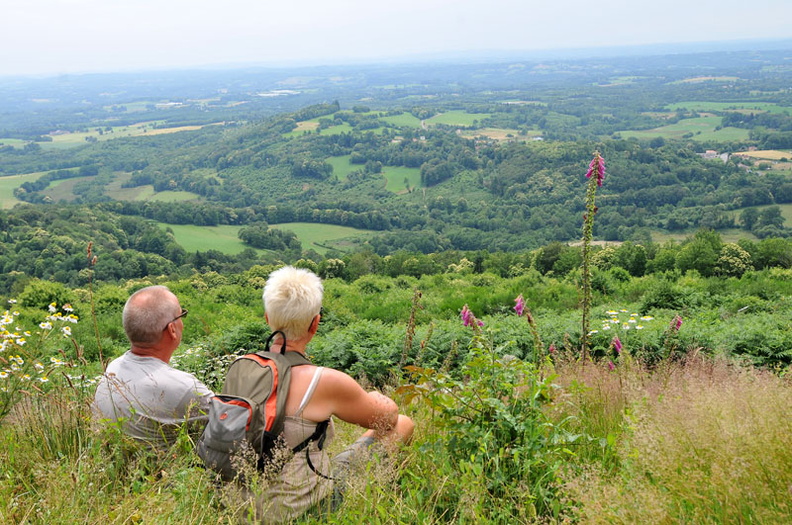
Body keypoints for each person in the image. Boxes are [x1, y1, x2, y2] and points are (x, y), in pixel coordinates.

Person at [251, 266, 414, 522]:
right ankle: (390, 499)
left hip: (245, 507)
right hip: (300, 511)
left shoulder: (240, 369)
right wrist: (374, 396)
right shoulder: (323, 380)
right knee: (404, 424)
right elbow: (388, 419)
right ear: (315, 323)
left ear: (267, 318)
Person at [93, 285, 213, 446]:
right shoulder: (183, 387)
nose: (182, 323)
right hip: (162, 471)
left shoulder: (113, 367)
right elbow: (232, 423)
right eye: (181, 315)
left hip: (111, 468)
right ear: (172, 329)